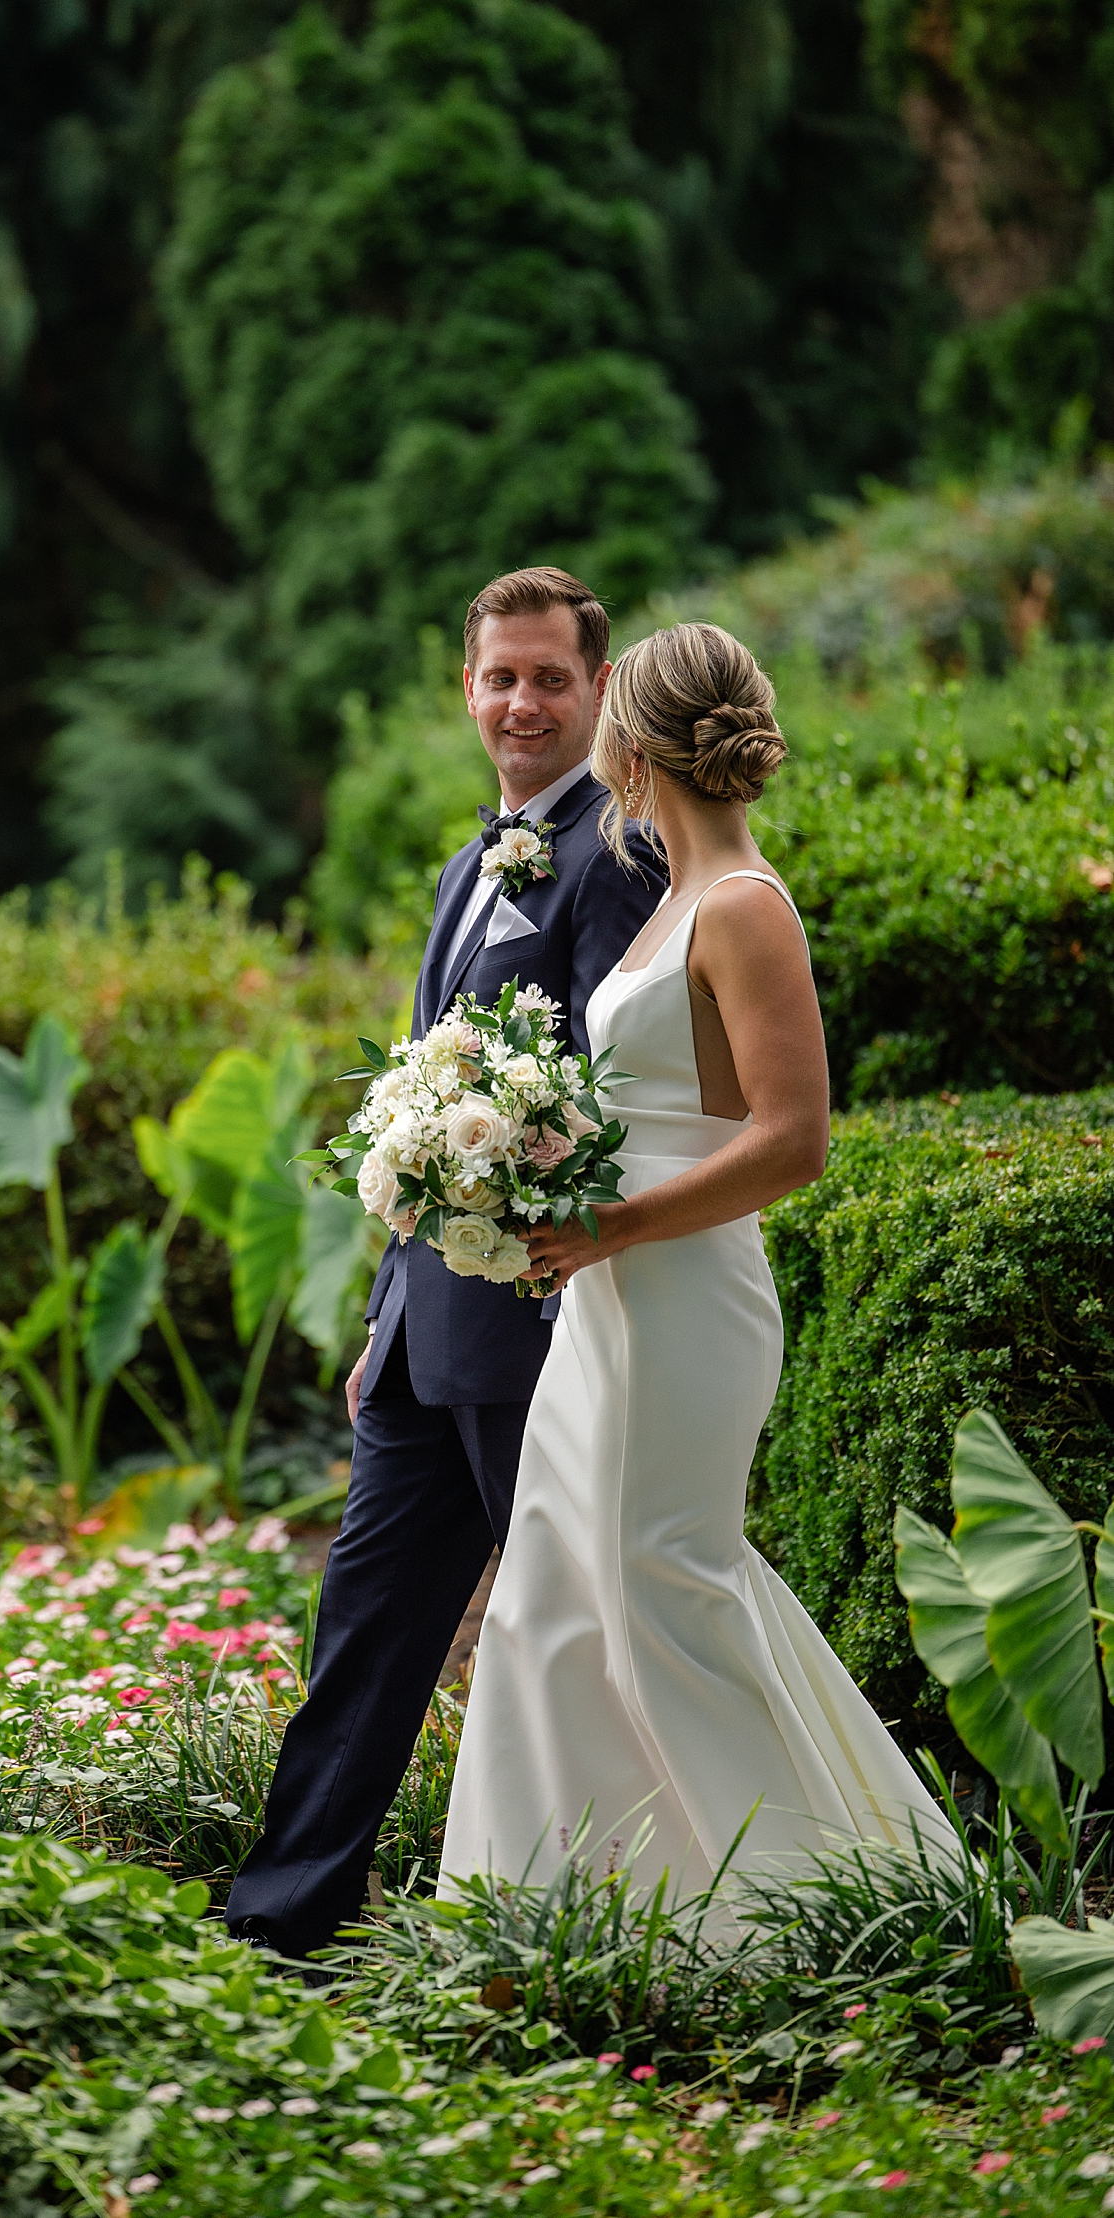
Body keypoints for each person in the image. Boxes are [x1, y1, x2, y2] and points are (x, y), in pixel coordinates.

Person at [438, 622, 953, 1897]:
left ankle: (803, 1901)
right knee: (551, 1597)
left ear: (630, 743)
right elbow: (653, 1105)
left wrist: (607, 1224)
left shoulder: (743, 908)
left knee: (669, 1598)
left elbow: (794, 1141)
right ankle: (570, 1899)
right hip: (606, 1298)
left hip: (685, 1300)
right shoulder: (669, 895)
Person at [225, 567, 664, 1961]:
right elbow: (425, 1103)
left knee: (577, 1630)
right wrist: (379, 1313)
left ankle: (623, 1912)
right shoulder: (461, 870)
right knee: (364, 1623)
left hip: (543, 1321)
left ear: (598, 690)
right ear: (466, 689)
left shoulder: (621, 856)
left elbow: (608, 1105)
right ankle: (286, 1914)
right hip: (425, 1328)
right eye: (498, 677)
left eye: (547, 676)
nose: (521, 701)